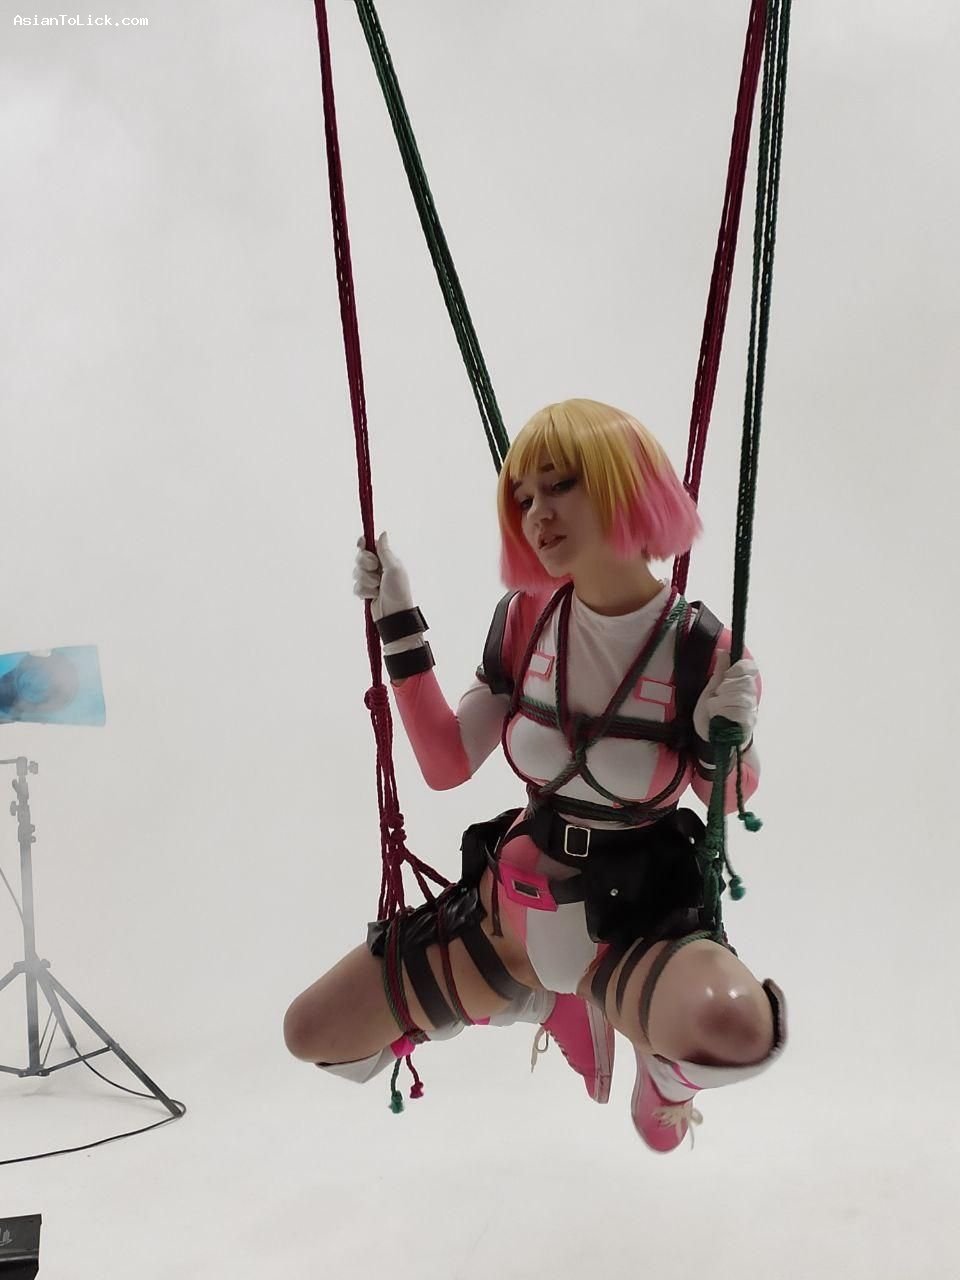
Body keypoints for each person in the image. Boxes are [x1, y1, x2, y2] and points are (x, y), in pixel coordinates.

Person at [283, 398, 787, 1152]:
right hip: (508, 918)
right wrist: (398, 620)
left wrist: (728, 743)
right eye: (523, 498)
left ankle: (661, 1067)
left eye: (561, 486)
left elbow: (730, 800)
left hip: (630, 928)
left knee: (736, 1025)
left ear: (626, 485)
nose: (537, 514)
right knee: (315, 1030)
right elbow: (447, 762)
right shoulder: (526, 620)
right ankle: (543, 1001)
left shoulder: (700, 650)